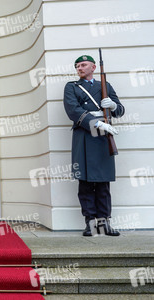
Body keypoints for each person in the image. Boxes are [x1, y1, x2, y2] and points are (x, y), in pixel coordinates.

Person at [63, 55, 125, 236]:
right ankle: (90, 223)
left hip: (103, 138)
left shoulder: (105, 86)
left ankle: (105, 223)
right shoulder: (71, 87)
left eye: (83, 65)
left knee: (103, 184)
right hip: (85, 134)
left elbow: (120, 110)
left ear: (93, 67)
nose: (79, 68)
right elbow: (73, 111)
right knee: (86, 183)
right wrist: (97, 123)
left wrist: (113, 106)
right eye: (77, 66)